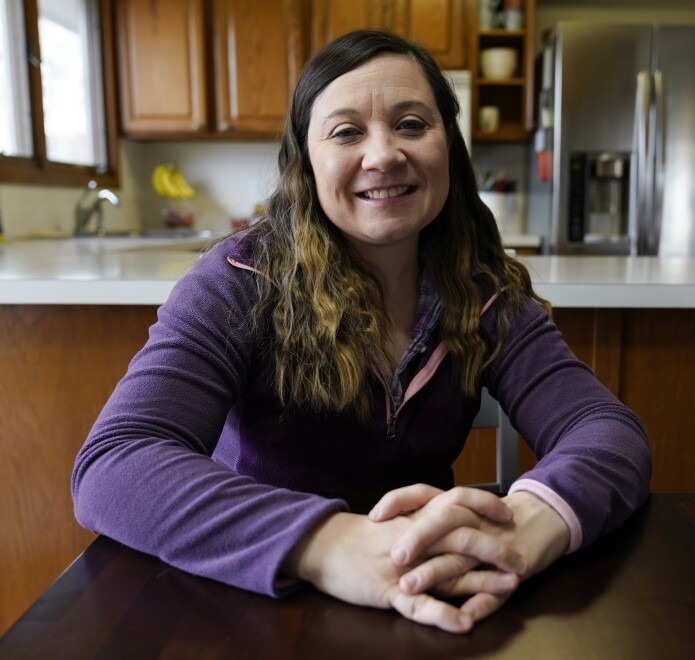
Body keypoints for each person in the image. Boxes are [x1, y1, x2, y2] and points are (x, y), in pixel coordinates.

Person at [71, 29, 651, 634]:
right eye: (347, 131)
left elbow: (605, 430)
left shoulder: (485, 293)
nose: (383, 155)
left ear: (447, 145)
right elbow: (115, 463)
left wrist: (532, 521)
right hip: (255, 606)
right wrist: (331, 542)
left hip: (432, 608)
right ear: (306, 162)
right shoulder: (239, 280)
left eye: (411, 124)